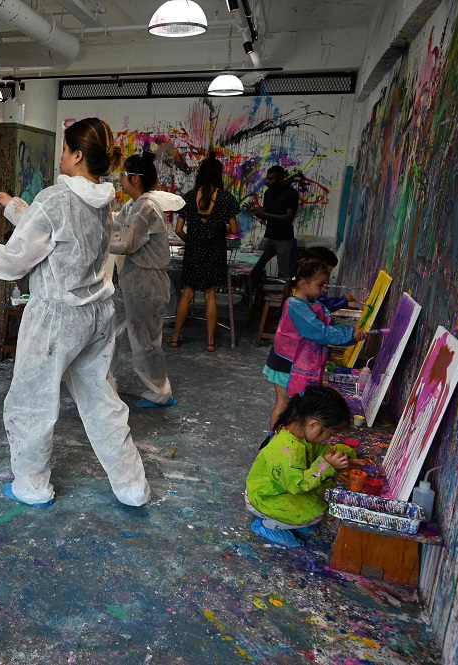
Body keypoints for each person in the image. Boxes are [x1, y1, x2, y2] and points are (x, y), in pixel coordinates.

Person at [0, 117, 150, 508]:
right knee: (103, 401)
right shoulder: (104, 200)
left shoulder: (55, 199)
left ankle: (32, 486)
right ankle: (132, 486)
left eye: (66, 150)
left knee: (32, 402)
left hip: (56, 318)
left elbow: (18, 259)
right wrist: (14, 206)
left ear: (78, 154)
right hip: (97, 314)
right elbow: (63, 233)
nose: (61, 157)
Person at [110, 151, 185, 408]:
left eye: (123, 175)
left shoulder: (146, 207)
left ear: (135, 179)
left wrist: (94, 242)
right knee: (110, 330)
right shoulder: (133, 205)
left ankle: (160, 392)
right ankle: (104, 383)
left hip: (146, 283)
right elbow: (115, 220)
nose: (120, 180)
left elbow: (127, 245)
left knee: (146, 341)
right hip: (130, 281)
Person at [246, 386, 359, 547]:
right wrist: (328, 465)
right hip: (263, 498)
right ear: (313, 424)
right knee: (317, 512)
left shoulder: (299, 434)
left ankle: (289, 521)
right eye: (331, 433)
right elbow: (297, 485)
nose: (330, 438)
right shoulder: (288, 449)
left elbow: (320, 451)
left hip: (278, 490)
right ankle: (267, 526)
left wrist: (344, 455)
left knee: (317, 500)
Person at [263, 258, 365, 431]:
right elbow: (319, 332)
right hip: (286, 363)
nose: (323, 289)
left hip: (298, 362)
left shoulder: (312, 303)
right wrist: (349, 333)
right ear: (303, 283)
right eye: (320, 285)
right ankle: (275, 443)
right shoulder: (294, 305)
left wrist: (352, 337)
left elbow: (329, 328)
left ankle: (288, 440)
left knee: (294, 407)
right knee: (284, 405)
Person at [169, 156, 240, 352]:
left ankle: (175, 338)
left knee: (187, 294)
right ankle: (210, 342)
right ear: (219, 176)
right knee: (210, 296)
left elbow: (178, 229)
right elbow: (234, 229)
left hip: (193, 252)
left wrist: (192, 241)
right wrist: (219, 227)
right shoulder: (226, 199)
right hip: (215, 252)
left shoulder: (189, 197)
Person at [246, 165, 300, 298]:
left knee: (284, 274)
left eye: (272, 179)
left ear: (281, 178)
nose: (268, 181)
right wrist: (255, 211)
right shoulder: (268, 193)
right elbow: (266, 211)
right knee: (256, 267)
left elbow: (287, 218)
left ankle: (281, 303)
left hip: (284, 238)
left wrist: (265, 215)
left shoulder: (291, 194)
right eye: (268, 178)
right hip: (269, 236)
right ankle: (247, 298)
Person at [301, 246, 355, 312]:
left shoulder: (306, 279)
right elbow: (322, 305)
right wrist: (343, 300)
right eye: (329, 269)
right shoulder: (307, 284)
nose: (328, 274)